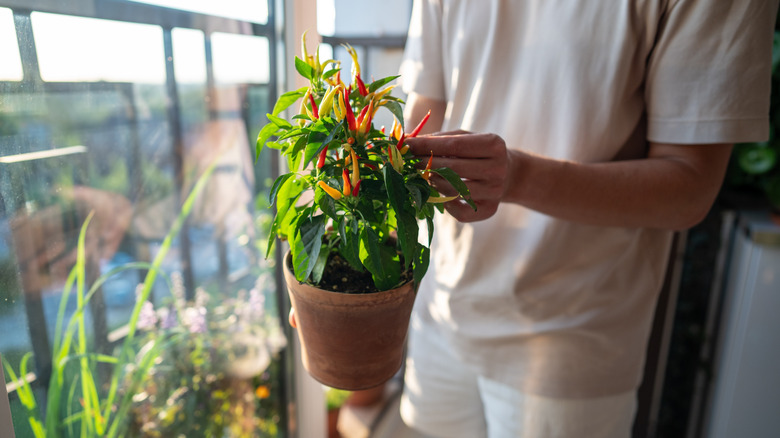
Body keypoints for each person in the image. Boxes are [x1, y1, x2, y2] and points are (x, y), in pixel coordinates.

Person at [397, 1, 779, 437]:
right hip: (441, 304)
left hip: (571, 340)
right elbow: (428, 104)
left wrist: (518, 176)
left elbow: (689, 189)